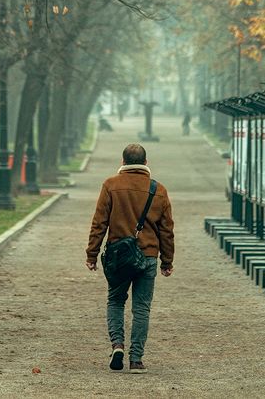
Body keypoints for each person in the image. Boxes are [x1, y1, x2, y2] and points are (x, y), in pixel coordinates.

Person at [85, 143, 174, 374]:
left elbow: (99, 222)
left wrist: (92, 254)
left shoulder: (110, 185)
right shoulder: (159, 190)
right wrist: (167, 261)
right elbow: (167, 230)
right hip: (148, 257)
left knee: (115, 301)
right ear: (146, 163)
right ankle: (136, 359)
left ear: (123, 162)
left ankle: (117, 345)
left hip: (118, 257)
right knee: (142, 309)